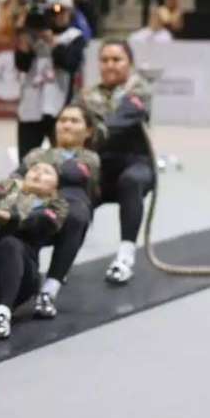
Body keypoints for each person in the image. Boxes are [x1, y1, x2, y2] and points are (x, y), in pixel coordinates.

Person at [13, 104, 100, 318]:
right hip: (33, 208)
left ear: (88, 131)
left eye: (74, 120)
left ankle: (49, 291)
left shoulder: (89, 158)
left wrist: (35, 172)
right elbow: (14, 178)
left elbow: (75, 174)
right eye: (62, 120)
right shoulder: (37, 153)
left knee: (78, 216)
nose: (67, 125)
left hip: (68, 213)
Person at [79, 40, 154, 285]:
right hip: (100, 168)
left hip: (136, 163)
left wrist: (87, 132)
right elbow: (67, 122)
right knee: (72, 194)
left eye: (117, 59)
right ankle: (59, 267)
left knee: (131, 182)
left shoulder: (138, 89)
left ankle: (125, 258)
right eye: (105, 60)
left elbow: (121, 121)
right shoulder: (87, 95)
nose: (110, 65)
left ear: (129, 64)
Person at [0, 163, 67, 337]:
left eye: (47, 173)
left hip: (23, 276)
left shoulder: (56, 205)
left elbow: (40, 221)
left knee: (10, 243)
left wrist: (10, 218)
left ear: (55, 187)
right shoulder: (5, 190)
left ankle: (3, 313)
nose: (38, 174)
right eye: (34, 170)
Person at [13, 0, 87, 160]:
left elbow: (69, 64)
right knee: (27, 158)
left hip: (59, 107)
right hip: (31, 107)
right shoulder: (31, 36)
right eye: (53, 12)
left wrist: (51, 41)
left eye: (63, 11)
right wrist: (25, 35)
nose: (58, 15)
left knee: (62, 158)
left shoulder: (74, 37)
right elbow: (21, 65)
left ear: (70, 13)